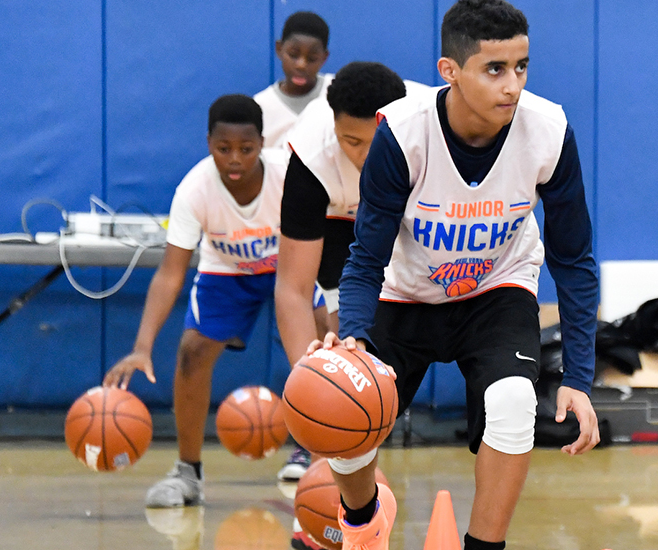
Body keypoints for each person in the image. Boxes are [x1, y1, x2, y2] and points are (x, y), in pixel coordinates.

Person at [307, 1, 600, 549]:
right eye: (494, 69)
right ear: (450, 71)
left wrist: (580, 379)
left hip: (497, 289)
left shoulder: (549, 130)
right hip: (406, 293)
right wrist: (353, 336)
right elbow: (366, 255)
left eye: (522, 66)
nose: (512, 85)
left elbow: (574, 261)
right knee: (345, 413)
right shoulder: (400, 132)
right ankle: (363, 519)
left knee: (514, 400)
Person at [273, 61, 432, 550]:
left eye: (371, 141)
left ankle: (360, 504)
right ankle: (337, 508)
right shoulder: (312, 156)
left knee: (385, 366)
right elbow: (292, 289)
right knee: (346, 373)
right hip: (343, 229)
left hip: (422, 233)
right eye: (351, 142)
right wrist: (315, 390)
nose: (362, 155)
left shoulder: (431, 128)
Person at [103, 94, 288, 508]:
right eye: (224, 149)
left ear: (263, 142)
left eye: (246, 148)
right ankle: (188, 472)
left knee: (318, 347)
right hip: (227, 272)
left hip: (287, 267)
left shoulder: (290, 175)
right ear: (208, 144)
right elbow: (170, 274)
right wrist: (141, 347)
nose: (235, 159)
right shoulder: (194, 189)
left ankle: (324, 459)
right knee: (191, 352)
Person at [255, 11, 333, 148]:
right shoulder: (260, 107)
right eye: (293, 55)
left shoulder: (338, 91)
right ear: (279, 48)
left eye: (312, 58)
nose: (301, 65)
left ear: (324, 57)